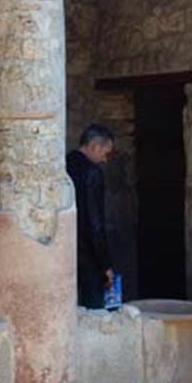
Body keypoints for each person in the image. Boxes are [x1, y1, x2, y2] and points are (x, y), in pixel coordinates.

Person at [66, 124, 115, 309]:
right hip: (88, 255)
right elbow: (95, 224)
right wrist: (106, 265)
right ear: (95, 146)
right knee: (94, 312)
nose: (105, 159)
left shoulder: (64, 164)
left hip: (65, 249)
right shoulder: (92, 173)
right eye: (105, 153)